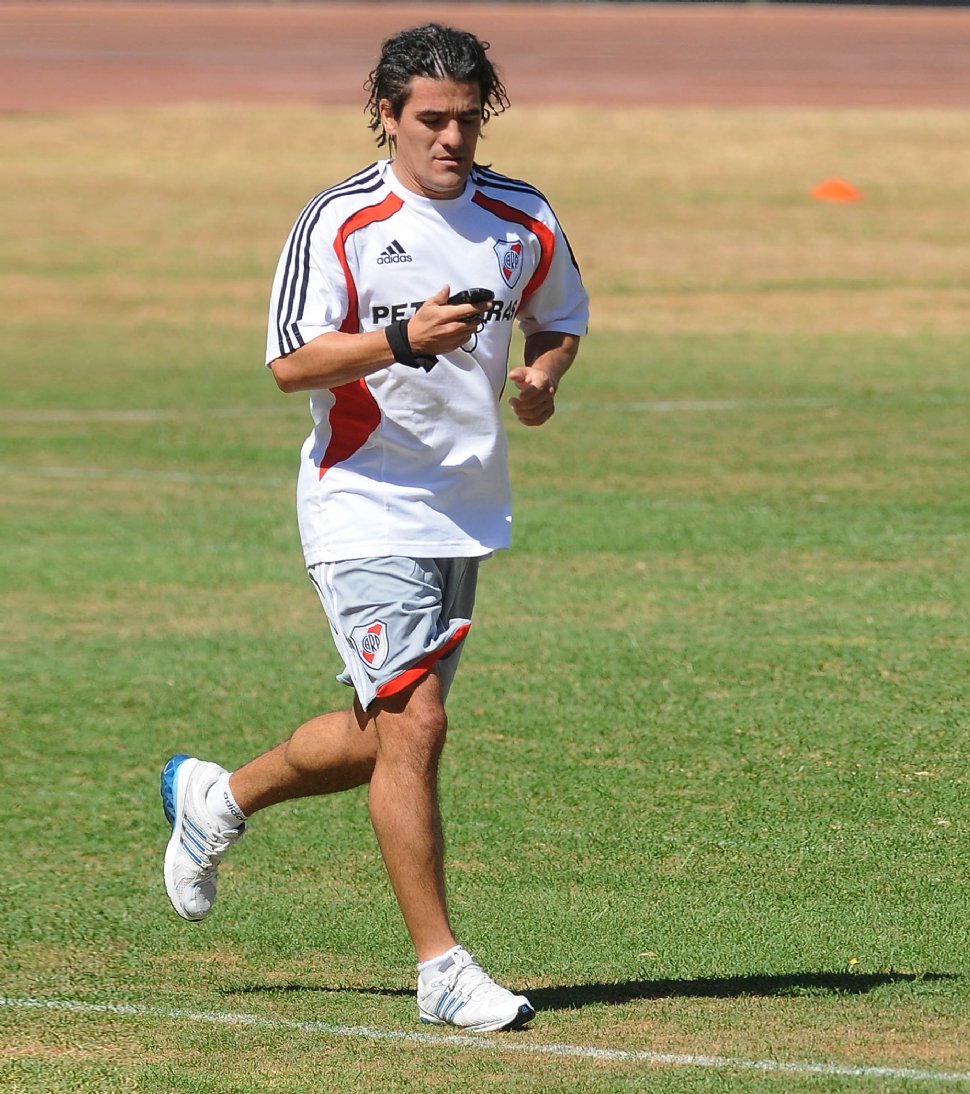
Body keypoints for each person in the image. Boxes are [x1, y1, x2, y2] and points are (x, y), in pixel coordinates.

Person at [160, 22, 588, 1033]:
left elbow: (560, 316)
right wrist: (399, 337)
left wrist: (540, 377)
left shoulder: (520, 214)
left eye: (467, 119)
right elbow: (289, 364)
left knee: (386, 736)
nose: (452, 138)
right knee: (418, 724)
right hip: (362, 499)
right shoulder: (342, 221)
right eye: (431, 119)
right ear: (387, 116)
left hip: (464, 506)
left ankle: (220, 798)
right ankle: (441, 968)